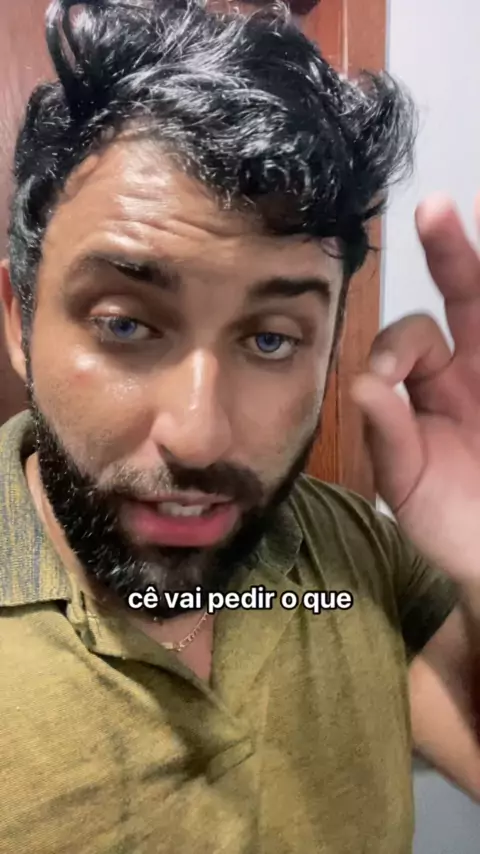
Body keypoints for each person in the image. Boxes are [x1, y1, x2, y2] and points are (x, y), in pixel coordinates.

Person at [0, 1, 479, 851]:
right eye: (125, 323)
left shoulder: (358, 556)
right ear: (19, 318)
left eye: (270, 340)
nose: (200, 436)